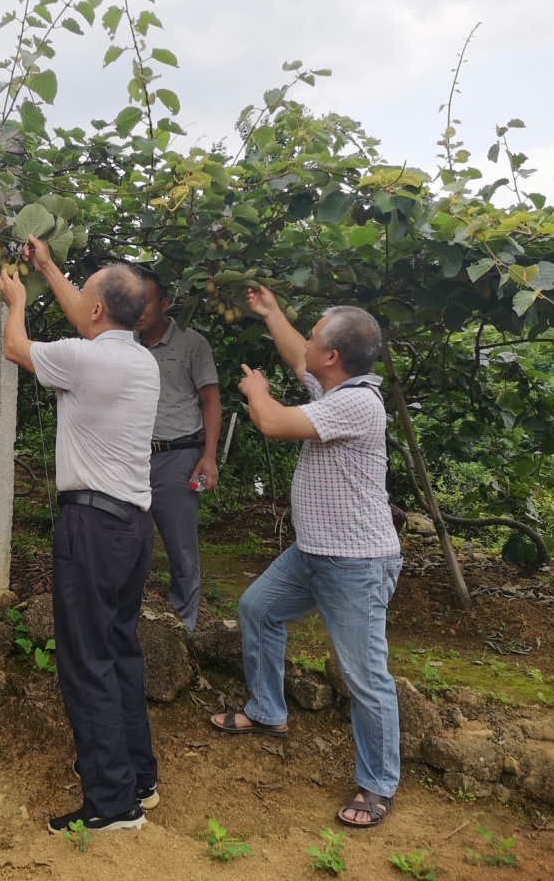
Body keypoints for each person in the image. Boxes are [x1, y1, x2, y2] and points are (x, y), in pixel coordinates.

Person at [208, 285, 402, 829]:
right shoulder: (335, 383)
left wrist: (256, 389)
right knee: (258, 608)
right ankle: (268, 712)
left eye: (317, 336)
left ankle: (378, 783)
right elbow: (300, 355)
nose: (307, 343)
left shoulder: (357, 402)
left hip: (356, 563)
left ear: (334, 357)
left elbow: (271, 421)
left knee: (365, 676)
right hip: (314, 552)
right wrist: (273, 314)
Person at [0, 236, 160, 834]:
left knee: (85, 661)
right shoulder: (136, 356)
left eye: (83, 295)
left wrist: (16, 297)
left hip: (91, 527)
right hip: (132, 527)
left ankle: (113, 805)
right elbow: (81, 316)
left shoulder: (86, 359)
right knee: (118, 650)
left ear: (98, 313)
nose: (78, 304)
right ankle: (139, 775)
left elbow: (16, 346)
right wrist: (47, 267)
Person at [133, 269, 221, 633]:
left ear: (165, 304)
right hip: (131, 457)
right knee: (131, 541)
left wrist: (209, 457)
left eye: (147, 301)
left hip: (178, 455)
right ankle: (132, 618)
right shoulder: (122, 343)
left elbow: (211, 401)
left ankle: (183, 625)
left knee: (181, 547)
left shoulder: (191, 343)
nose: (138, 309)